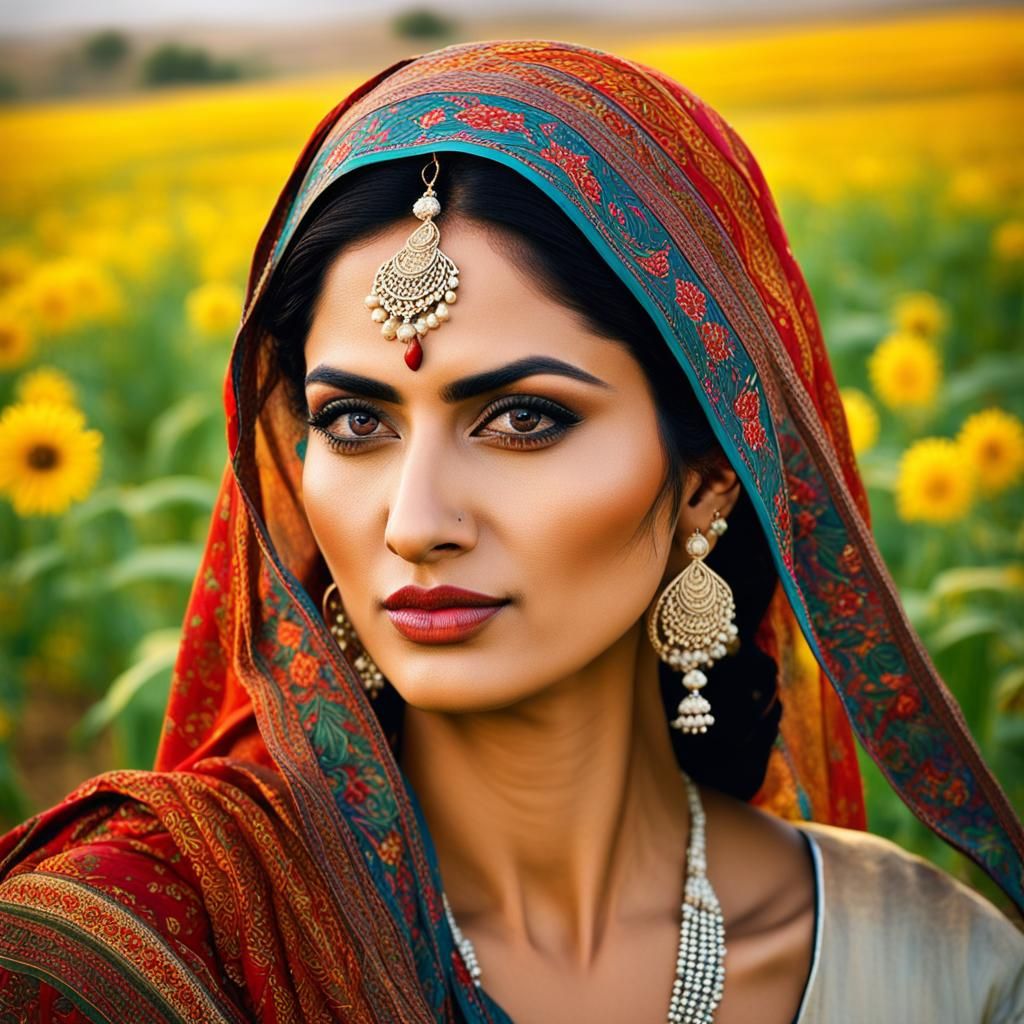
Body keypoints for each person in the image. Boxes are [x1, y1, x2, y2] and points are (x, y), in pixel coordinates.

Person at [0, 38, 1021, 1024]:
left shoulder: (937, 972)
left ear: (710, 477)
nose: (414, 524)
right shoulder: (169, 924)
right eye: (355, 424)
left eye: (523, 418)